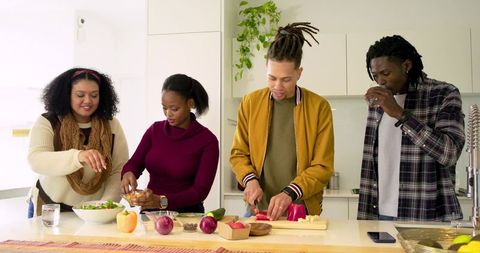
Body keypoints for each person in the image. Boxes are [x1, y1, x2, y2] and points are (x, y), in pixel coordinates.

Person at [230, 22, 335, 221]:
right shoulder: (250, 103)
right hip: (257, 209)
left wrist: (289, 193)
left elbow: (322, 166)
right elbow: (238, 154)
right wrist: (250, 181)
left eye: (286, 79)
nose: (277, 86)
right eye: (272, 78)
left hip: (301, 211)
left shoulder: (319, 107)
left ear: (299, 73)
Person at [357, 35, 465, 221]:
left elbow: (449, 153)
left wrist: (400, 114)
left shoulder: (444, 94)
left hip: (425, 213)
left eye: (385, 73)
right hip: (378, 213)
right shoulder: (377, 103)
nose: (380, 81)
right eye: (375, 76)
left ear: (406, 66)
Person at [27, 67, 129, 217]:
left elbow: (119, 170)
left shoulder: (112, 125)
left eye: (94, 95)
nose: (88, 101)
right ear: (67, 95)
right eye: (80, 95)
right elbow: (36, 160)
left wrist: (105, 206)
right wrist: (78, 157)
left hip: (93, 212)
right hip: (49, 207)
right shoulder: (48, 121)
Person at [121, 74, 219, 213]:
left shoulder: (207, 141)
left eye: (174, 109)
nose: (168, 114)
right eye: (164, 108)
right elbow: (135, 163)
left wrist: (162, 201)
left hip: (187, 217)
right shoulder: (155, 130)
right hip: (151, 214)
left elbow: (200, 192)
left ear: (190, 104)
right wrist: (128, 173)